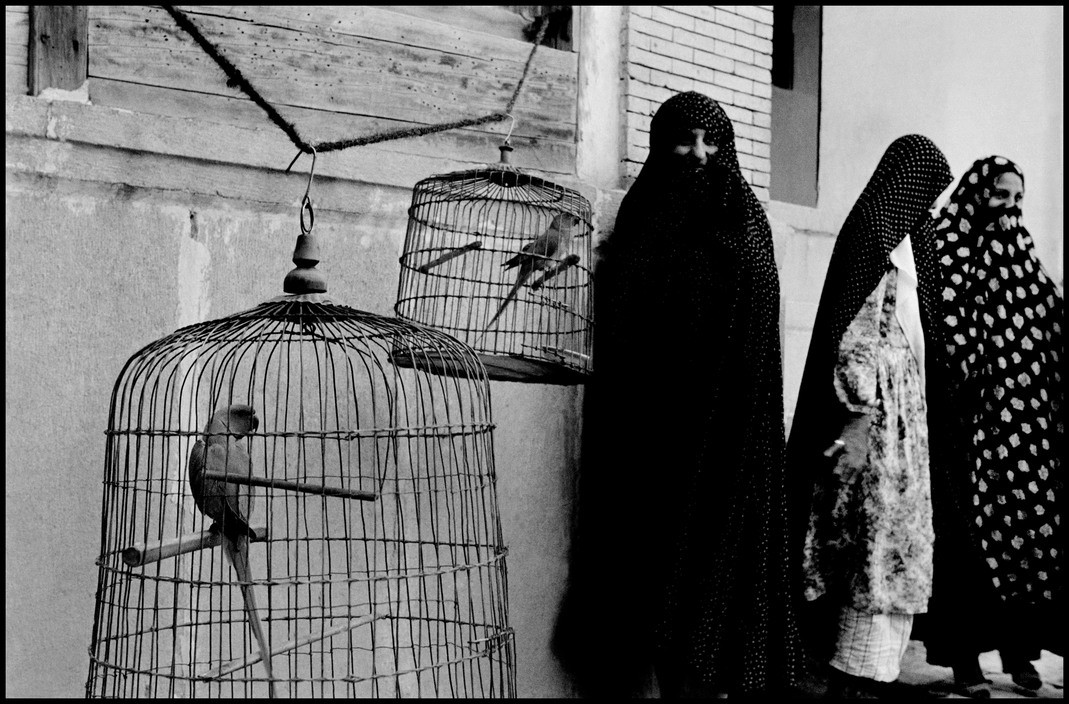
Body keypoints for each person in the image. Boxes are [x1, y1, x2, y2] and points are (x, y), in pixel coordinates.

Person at [557, 91, 804, 698]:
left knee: (711, 573)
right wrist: (571, 237)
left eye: (711, 140)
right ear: (660, 143)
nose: (699, 153)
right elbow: (618, 291)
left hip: (725, 428)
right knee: (651, 571)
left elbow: (759, 323)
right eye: (684, 139)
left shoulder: (745, 217)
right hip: (651, 426)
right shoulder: (645, 212)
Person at [786, 135, 954, 698]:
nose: (929, 206)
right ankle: (852, 677)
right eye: (925, 191)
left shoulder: (910, 240)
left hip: (906, 418)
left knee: (894, 540)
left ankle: (872, 676)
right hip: (876, 419)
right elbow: (855, 337)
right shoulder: (874, 235)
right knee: (868, 542)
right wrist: (857, 420)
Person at [921, 156, 1063, 697]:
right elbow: (938, 321)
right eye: (1000, 196)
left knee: (1021, 536)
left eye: (1016, 199)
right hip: (963, 419)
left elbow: (1046, 307)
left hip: (1019, 427)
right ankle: (964, 662)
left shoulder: (1017, 247)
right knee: (967, 542)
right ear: (979, 191)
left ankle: (1018, 654)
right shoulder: (945, 240)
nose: (1008, 208)